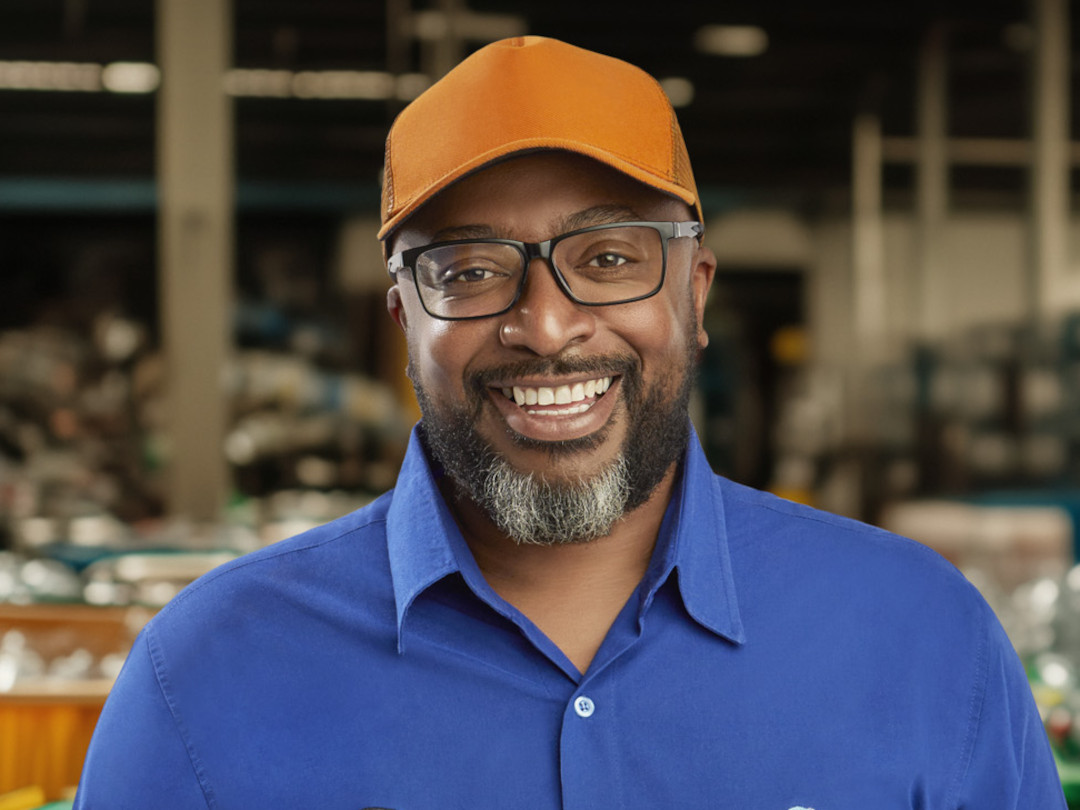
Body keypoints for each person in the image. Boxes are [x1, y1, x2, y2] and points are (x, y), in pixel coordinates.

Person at [75, 36, 1065, 808]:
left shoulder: (924, 644)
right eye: (468, 270)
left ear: (697, 293)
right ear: (401, 324)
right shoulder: (203, 681)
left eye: (608, 258)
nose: (545, 328)